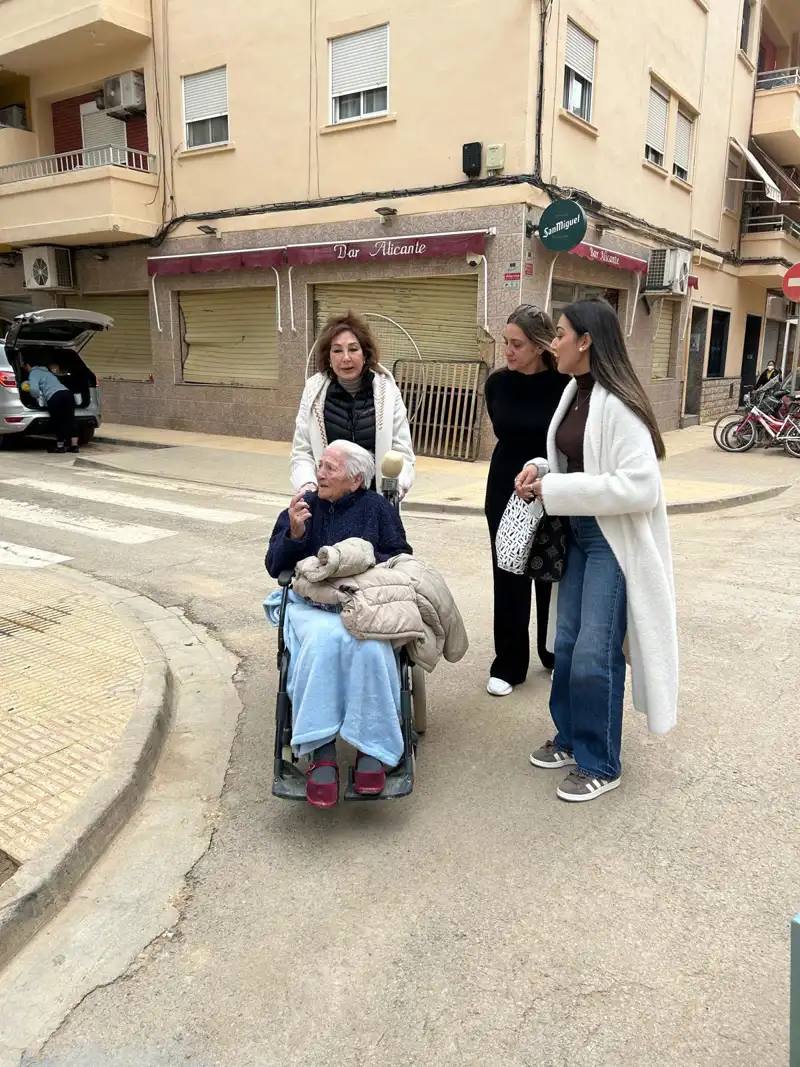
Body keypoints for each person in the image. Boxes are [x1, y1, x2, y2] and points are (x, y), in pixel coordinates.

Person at [516, 297, 678, 803]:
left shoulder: (620, 403)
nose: (553, 341)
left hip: (610, 541)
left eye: (561, 334)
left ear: (585, 341)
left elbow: (639, 488)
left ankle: (600, 761)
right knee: (565, 643)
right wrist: (543, 472)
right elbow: (575, 460)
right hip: (579, 535)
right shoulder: (575, 391)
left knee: (594, 651)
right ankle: (568, 737)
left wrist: (557, 492)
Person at [266, 441, 412, 808]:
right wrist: (295, 535)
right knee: (323, 644)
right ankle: (322, 750)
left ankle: (371, 748)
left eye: (331, 468)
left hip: (360, 603)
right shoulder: (304, 506)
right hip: (312, 606)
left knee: (371, 647)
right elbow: (274, 566)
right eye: (320, 465)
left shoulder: (376, 507)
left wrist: (354, 562)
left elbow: (400, 555)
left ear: (356, 479)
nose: (320, 474)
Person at [483, 305, 568, 697]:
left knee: (551, 570)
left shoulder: (564, 384)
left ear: (538, 346)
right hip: (504, 485)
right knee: (509, 573)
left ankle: (552, 653)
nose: (508, 351)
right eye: (505, 343)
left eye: (516, 344)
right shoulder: (497, 383)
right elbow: (504, 431)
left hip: (550, 485)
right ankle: (510, 663)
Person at [290, 312, 416, 499]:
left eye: (353, 349)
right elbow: (302, 451)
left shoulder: (388, 391)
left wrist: (397, 488)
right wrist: (308, 485)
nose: (346, 358)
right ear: (329, 357)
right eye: (337, 350)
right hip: (330, 504)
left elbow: (402, 451)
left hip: (376, 502)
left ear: (365, 354)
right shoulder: (313, 393)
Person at [24, 362, 79, 454]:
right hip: (67, 393)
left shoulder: (34, 372)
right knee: (70, 419)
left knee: (59, 421)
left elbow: (34, 389)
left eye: (24, 366)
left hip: (55, 396)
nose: (24, 368)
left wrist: (36, 397)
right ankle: (74, 446)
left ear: (29, 365)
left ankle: (60, 447)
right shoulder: (48, 372)